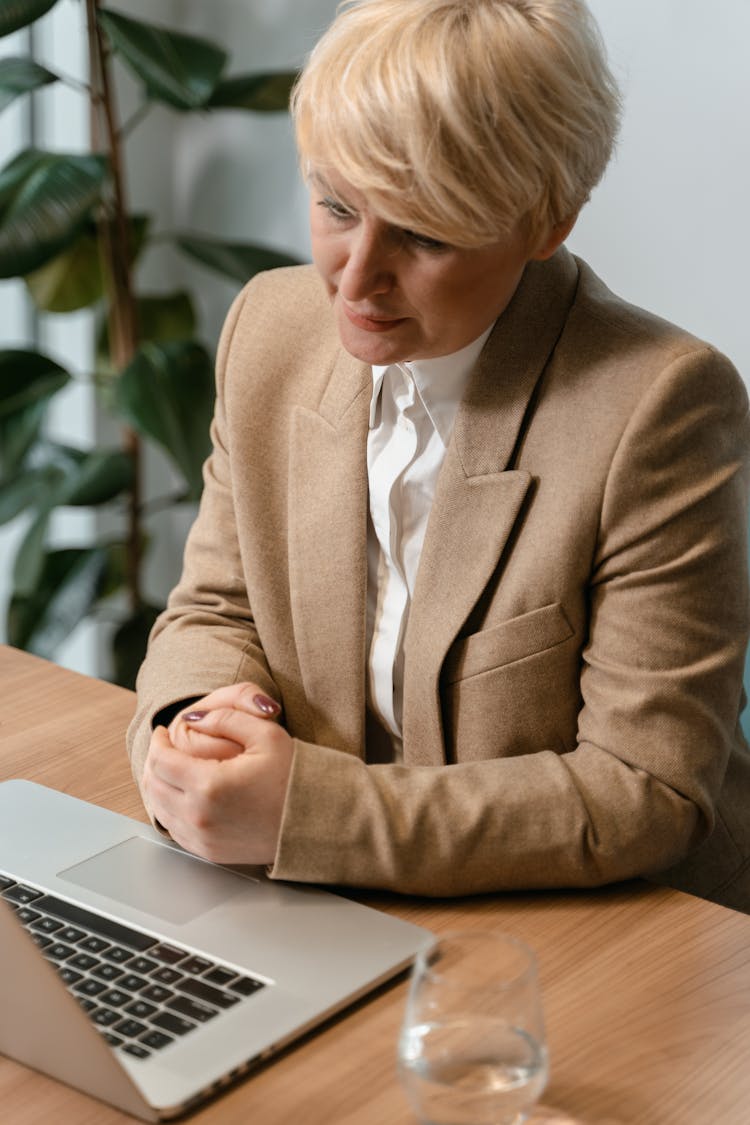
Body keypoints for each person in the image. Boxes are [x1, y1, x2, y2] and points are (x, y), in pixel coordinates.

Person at [128, 0, 750, 912]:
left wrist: (306, 812)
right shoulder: (269, 326)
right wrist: (196, 732)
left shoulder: (658, 408)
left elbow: (645, 791)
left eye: (424, 235)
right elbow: (218, 609)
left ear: (548, 223)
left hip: (607, 930)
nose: (354, 276)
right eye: (336, 206)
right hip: (319, 904)